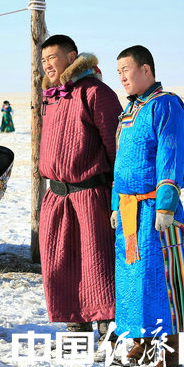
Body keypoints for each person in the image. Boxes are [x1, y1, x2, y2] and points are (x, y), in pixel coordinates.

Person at [110, 45, 184, 367]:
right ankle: (142, 342)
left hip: (155, 210)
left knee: (161, 281)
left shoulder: (165, 104)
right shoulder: (130, 111)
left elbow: (171, 153)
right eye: (118, 71)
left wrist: (166, 204)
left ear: (146, 70)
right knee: (133, 282)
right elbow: (121, 165)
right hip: (129, 211)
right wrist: (116, 204)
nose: (122, 76)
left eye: (126, 69)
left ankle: (168, 352)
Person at [38, 34, 121, 349]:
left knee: (97, 263)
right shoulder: (53, 96)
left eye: (53, 58)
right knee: (61, 264)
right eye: (43, 60)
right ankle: (77, 327)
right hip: (57, 196)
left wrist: (117, 196)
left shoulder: (96, 93)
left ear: (71, 57)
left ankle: (109, 329)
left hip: (91, 193)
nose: (47, 65)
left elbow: (116, 148)